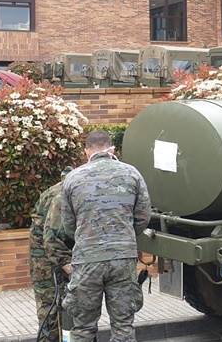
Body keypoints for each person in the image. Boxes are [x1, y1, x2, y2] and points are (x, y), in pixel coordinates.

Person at [61, 130, 151, 342]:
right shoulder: (132, 174)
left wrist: (86, 238)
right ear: (112, 150)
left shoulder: (73, 178)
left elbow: (68, 224)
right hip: (122, 258)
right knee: (123, 325)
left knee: (83, 326)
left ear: (87, 152)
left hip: (87, 260)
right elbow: (143, 216)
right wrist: (124, 236)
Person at [28, 167, 74, 342]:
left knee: (67, 309)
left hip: (58, 252)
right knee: (51, 312)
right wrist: (69, 267)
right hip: (45, 261)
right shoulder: (62, 196)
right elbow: (51, 240)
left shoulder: (64, 190)